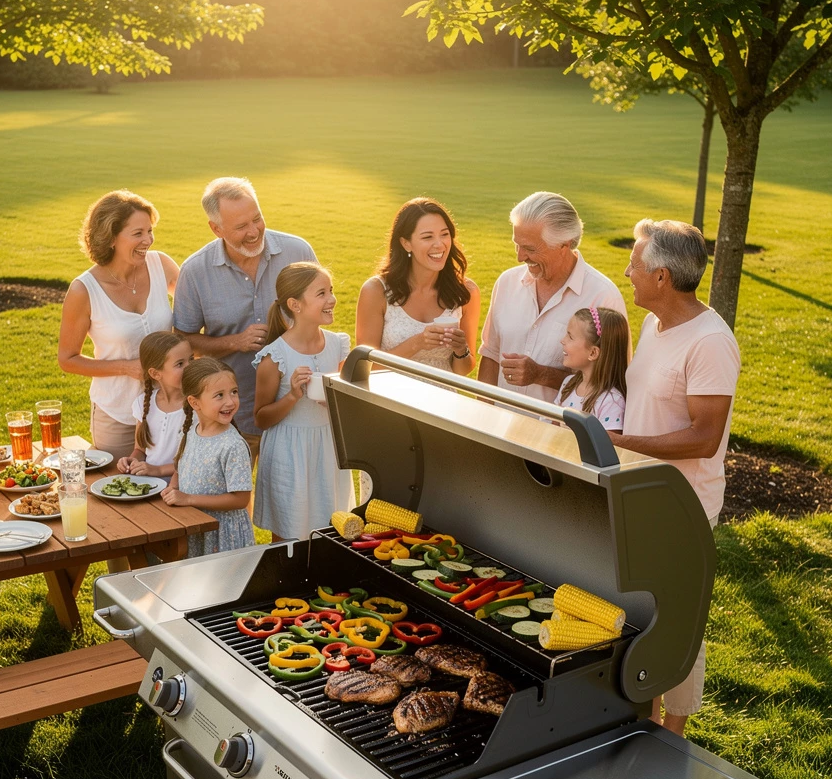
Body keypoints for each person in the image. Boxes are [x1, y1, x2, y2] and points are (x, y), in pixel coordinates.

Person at [608, 218, 741, 737]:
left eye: (636, 265)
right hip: (642, 490)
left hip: (683, 502)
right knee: (641, 606)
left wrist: (621, 443)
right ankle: (643, 709)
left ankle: (674, 731)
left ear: (661, 277)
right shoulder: (653, 325)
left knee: (677, 615)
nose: (628, 272)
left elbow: (704, 437)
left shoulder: (709, 342)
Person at [173, 177, 318, 463]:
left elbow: (322, 310)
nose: (254, 232)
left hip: (297, 409)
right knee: (232, 503)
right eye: (241, 226)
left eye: (257, 218)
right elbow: (182, 340)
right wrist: (234, 342)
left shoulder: (298, 252)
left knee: (294, 502)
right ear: (216, 228)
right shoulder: (195, 271)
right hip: (232, 416)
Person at [59, 190, 181, 462]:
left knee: (170, 491)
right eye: (137, 233)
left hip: (169, 409)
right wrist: (126, 367)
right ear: (111, 237)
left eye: (150, 231)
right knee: (121, 492)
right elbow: (67, 359)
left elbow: (199, 302)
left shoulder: (160, 265)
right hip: (118, 415)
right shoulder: (84, 290)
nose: (148, 240)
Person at [478, 191, 627, 403]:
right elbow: (491, 356)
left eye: (529, 248)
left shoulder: (603, 296)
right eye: (517, 244)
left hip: (559, 433)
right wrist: (482, 414)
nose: (520, 256)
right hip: (500, 424)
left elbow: (609, 384)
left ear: (564, 244)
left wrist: (540, 374)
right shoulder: (506, 283)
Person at [253, 263, 354, 541]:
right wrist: (293, 396)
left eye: (330, 291)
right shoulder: (275, 357)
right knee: (288, 535)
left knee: (332, 531)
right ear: (295, 304)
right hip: (289, 451)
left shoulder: (338, 345)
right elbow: (261, 418)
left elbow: (346, 405)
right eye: (321, 293)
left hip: (328, 448)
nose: (331, 299)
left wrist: (334, 401)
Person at [355, 198, 480, 374]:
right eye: (427, 237)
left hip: (442, 399)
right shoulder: (376, 291)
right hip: (388, 398)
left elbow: (463, 370)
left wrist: (461, 350)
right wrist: (418, 343)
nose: (439, 244)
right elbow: (364, 366)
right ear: (406, 243)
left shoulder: (465, 292)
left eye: (444, 234)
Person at [161, 357, 255, 557]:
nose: (230, 401)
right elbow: (180, 465)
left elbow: (240, 499)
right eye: (219, 395)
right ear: (195, 402)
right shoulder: (189, 432)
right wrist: (173, 487)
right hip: (194, 527)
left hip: (222, 536)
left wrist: (189, 499)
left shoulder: (233, 445)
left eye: (234, 392)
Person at [117, 331, 194, 478]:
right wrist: (132, 461)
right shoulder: (142, 404)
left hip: (182, 489)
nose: (189, 367)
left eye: (191, 359)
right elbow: (140, 450)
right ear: (155, 373)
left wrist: (158, 470)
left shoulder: (197, 406)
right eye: (180, 364)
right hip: (149, 487)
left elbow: (197, 461)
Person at [555, 307, 630, 432]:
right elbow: (553, 424)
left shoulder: (611, 401)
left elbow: (605, 447)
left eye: (570, 337)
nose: (563, 340)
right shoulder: (568, 384)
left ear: (593, 352)